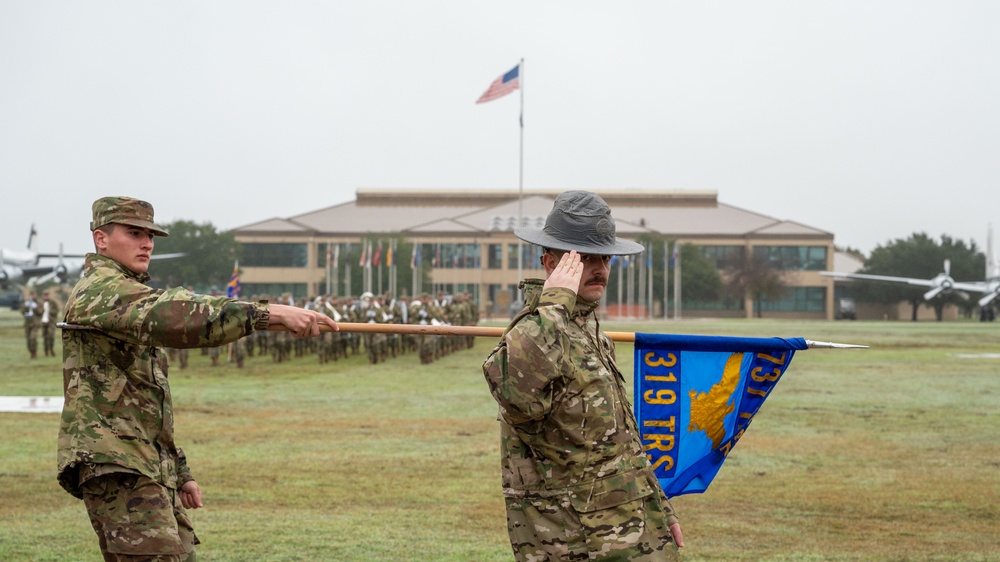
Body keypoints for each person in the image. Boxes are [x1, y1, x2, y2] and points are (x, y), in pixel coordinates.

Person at [57, 196, 338, 562]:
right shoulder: (100, 291)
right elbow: (176, 314)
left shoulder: (129, 292)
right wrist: (268, 314)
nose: (147, 243)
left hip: (145, 461)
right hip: (117, 463)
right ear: (101, 239)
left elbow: (143, 396)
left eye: (150, 235)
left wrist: (180, 469)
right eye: (134, 233)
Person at [482, 191, 684, 561]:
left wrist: (658, 506)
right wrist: (556, 301)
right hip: (575, 540)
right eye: (584, 258)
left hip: (630, 528)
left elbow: (619, 439)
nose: (600, 269)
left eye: (605, 257)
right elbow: (512, 388)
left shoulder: (588, 330)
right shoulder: (538, 329)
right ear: (550, 262)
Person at [40, 290, 60, 357]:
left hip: (51, 322)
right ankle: (46, 351)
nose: (45, 297)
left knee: (50, 336)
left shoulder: (53, 303)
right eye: (44, 295)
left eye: (47, 295)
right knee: (45, 337)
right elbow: (38, 312)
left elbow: (56, 311)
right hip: (43, 322)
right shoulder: (41, 303)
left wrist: (49, 310)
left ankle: (51, 349)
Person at [20, 292, 40, 358]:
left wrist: (35, 307)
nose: (32, 297)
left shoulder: (39, 303)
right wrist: (26, 306)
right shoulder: (27, 302)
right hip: (27, 324)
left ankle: (34, 352)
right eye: (31, 295)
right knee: (28, 340)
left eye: (34, 295)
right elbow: (22, 312)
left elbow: (40, 312)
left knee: (33, 338)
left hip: (35, 324)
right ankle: (31, 352)